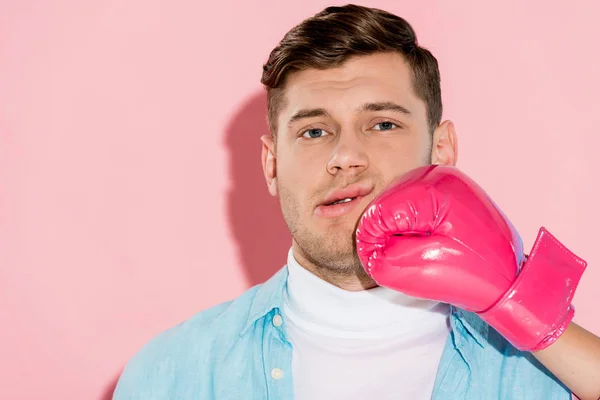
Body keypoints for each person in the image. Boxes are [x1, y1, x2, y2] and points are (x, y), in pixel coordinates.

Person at [113, 4, 600, 399]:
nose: (346, 157)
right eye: (314, 131)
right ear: (271, 163)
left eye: (383, 124)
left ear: (442, 150)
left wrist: (525, 310)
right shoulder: (168, 378)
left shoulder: (548, 372)